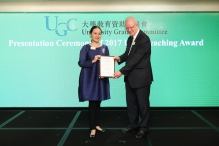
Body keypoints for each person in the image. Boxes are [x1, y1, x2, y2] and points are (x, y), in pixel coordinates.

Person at [113, 17, 153, 138]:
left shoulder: (144, 39)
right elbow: (128, 55)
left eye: (131, 27)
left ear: (136, 25)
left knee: (143, 104)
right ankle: (133, 124)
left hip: (141, 78)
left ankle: (143, 127)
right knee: (131, 104)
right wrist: (119, 58)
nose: (129, 30)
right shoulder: (130, 39)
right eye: (127, 28)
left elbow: (135, 60)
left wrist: (121, 71)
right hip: (131, 77)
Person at [78, 26, 110, 138]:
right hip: (89, 78)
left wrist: (110, 69)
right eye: (95, 33)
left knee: (98, 102)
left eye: (99, 33)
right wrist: (93, 60)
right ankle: (92, 128)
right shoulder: (85, 48)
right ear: (90, 34)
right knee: (92, 103)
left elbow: (108, 63)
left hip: (101, 78)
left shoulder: (105, 47)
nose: (97, 35)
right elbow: (81, 63)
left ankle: (96, 125)